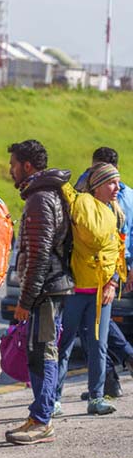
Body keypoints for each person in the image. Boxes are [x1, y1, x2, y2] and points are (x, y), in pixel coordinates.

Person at [2, 140, 73, 445]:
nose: (11, 170)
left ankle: (42, 420)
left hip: (46, 292)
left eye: (14, 164)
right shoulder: (45, 193)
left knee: (43, 353)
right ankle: (38, 416)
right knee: (41, 352)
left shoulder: (40, 198)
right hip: (49, 289)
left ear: (27, 166)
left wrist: (25, 301)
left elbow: (39, 255)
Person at [55, 162, 128, 416]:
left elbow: (118, 253)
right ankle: (53, 400)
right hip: (75, 290)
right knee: (62, 345)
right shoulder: (81, 205)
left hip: (102, 293)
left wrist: (112, 283)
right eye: (111, 182)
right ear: (96, 187)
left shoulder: (118, 213)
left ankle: (96, 398)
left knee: (99, 346)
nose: (117, 187)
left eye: (117, 182)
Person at [75, 147, 133, 396]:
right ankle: (111, 378)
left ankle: (108, 381)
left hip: (97, 267)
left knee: (92, 327)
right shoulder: (129, 194)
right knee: (100, 323)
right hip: (120, 267)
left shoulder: (92, 191)